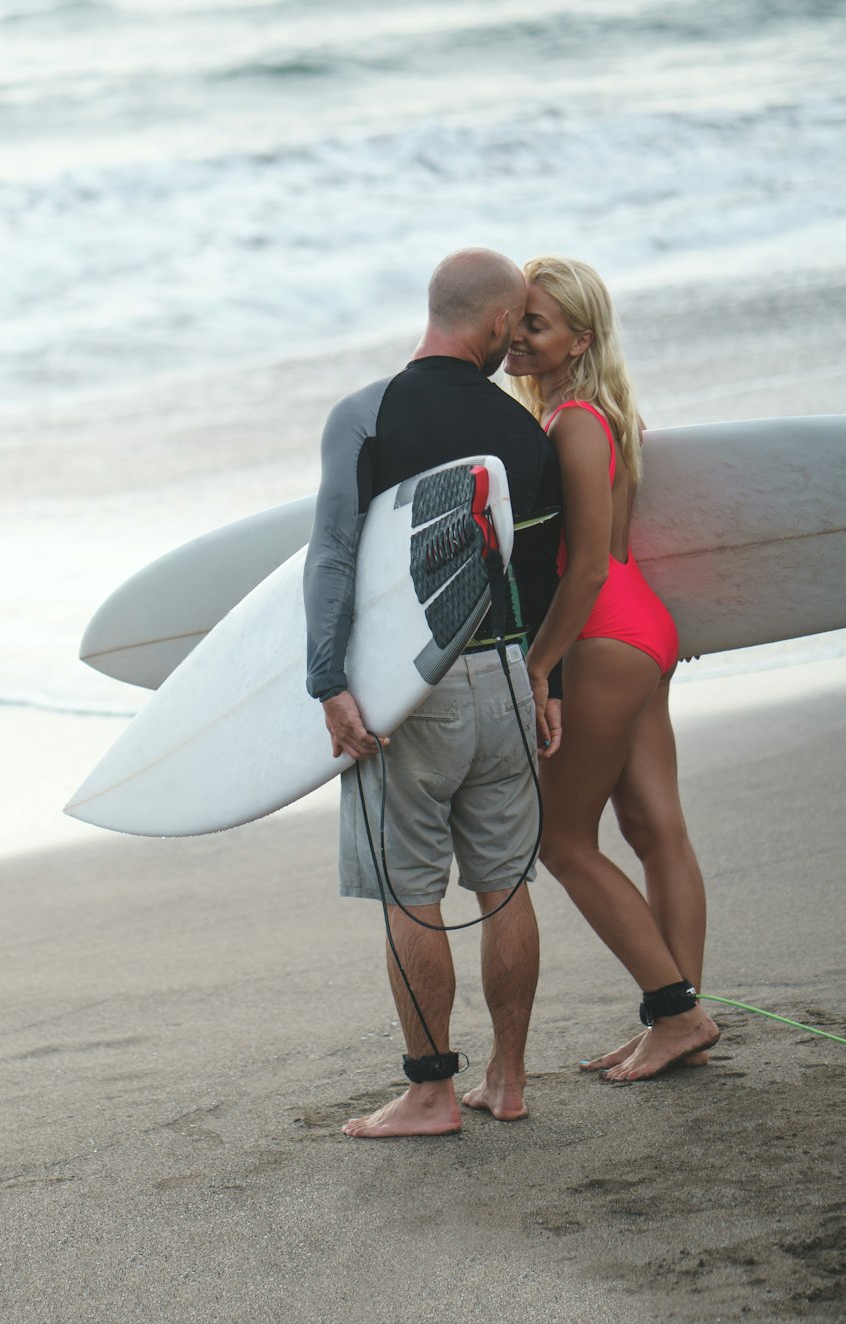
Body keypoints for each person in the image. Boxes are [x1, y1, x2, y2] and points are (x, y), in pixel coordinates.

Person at [304, 248, 566, 1139]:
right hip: (504, 677)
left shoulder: (364, 416)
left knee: (410, 891)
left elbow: (334, 553)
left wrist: (328, 681)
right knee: (504, 886)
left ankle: (430, 1093)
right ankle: (511, 1078)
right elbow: (541, 568)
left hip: (410, 691)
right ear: (498, 327)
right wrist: (547, 684)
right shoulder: (525, 434)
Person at [503, 256, 719, 1081]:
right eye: (514, 319)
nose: (517, 337)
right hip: (641, 628)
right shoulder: (600, 412)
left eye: (537, 325)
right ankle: (677, 1015)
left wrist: (535, 665)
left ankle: (677, 1012)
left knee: (562, 842)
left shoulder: (572, 424)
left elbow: (586, 567)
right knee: (655, 830)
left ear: (577, 340)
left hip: (601, 637)